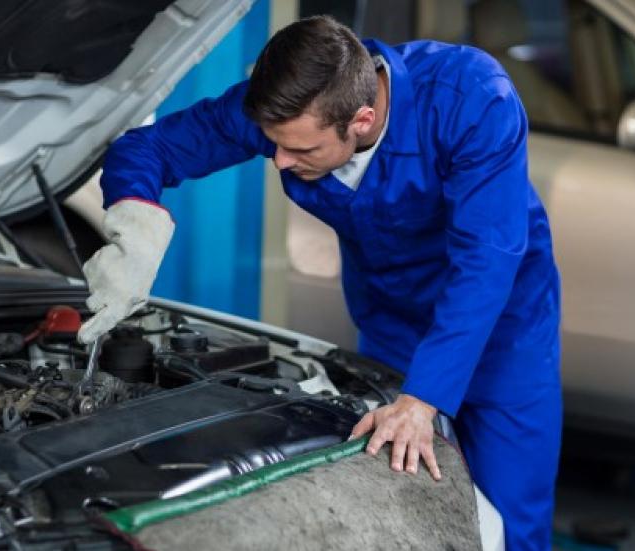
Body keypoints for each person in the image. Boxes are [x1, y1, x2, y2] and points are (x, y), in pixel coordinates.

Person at [77, 15, 562, 551]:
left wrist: (423, 398)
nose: (280, 160)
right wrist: (136, 226)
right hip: (390, 315)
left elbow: (485, 263)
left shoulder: (471, 98)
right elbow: (147, 149)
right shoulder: (287, 114)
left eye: (302, 152)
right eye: (274, 144)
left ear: (362, 118)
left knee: (511, 512)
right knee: (402, 504)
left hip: (503, 328)